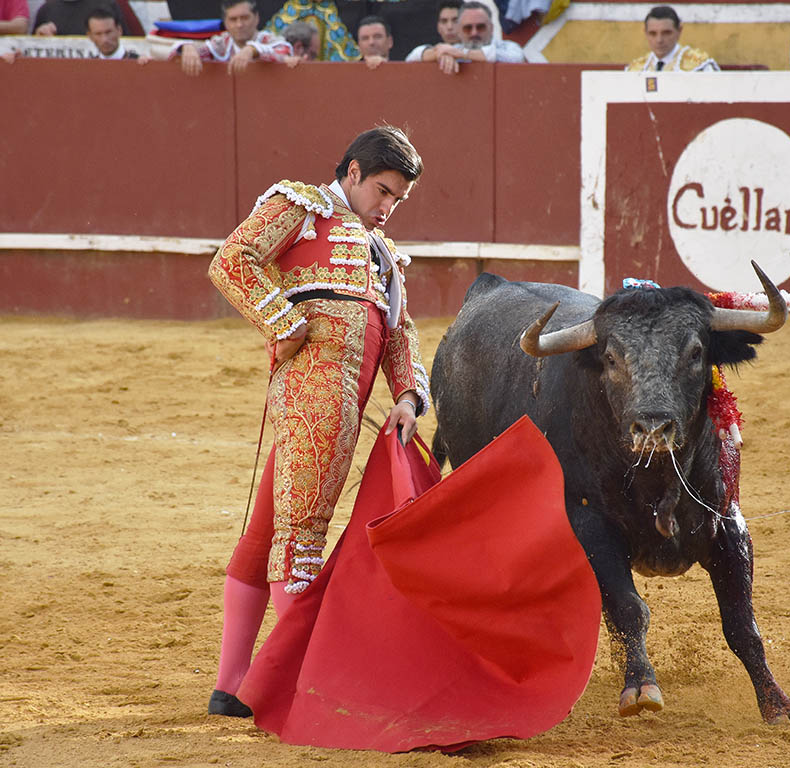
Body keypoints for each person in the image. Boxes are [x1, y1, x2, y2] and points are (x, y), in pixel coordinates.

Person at [206, 125, 431, 717]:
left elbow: (399, 333)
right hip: (316, 392)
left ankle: (233, 683)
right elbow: (232, 260)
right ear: (352, 172)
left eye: (398, 201)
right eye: (382, 192)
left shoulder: (384, 256)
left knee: (264, 537)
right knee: (301, 536)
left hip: (342, 405)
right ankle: (310, 684)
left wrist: (409, 395)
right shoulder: (302, 207)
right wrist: (283, 321)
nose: (387, 209)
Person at [170, 0, 292, 77]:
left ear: (256, 18)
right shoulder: (222, 43)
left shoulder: (268, 39)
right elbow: (172, 55)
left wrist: (252, 50)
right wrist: (186, 47)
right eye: (233, 19)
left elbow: (284, 52)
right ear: (226, 23)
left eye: (245, 18)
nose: (239, 25)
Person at [420, 1, 525, 74]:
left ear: (491, 28)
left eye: (480, 27)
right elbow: (413, 56)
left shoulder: (506, 47)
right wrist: (439, 54)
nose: (474, 33)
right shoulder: (454, 50)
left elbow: (516, 57)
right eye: (468, 28)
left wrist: (463, 54)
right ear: (460, 31)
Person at [625, 6, 719, 72]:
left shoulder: (699, 66)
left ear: (679, 31)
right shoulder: (635, 69)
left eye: (666, 33)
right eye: (653, 33)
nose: (659, 40)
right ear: (645, 33)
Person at [33, 0, 123, 36]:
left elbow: (127, 44)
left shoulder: (107, 4)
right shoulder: (47, 9)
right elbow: (30, 47)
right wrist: (40, 35)